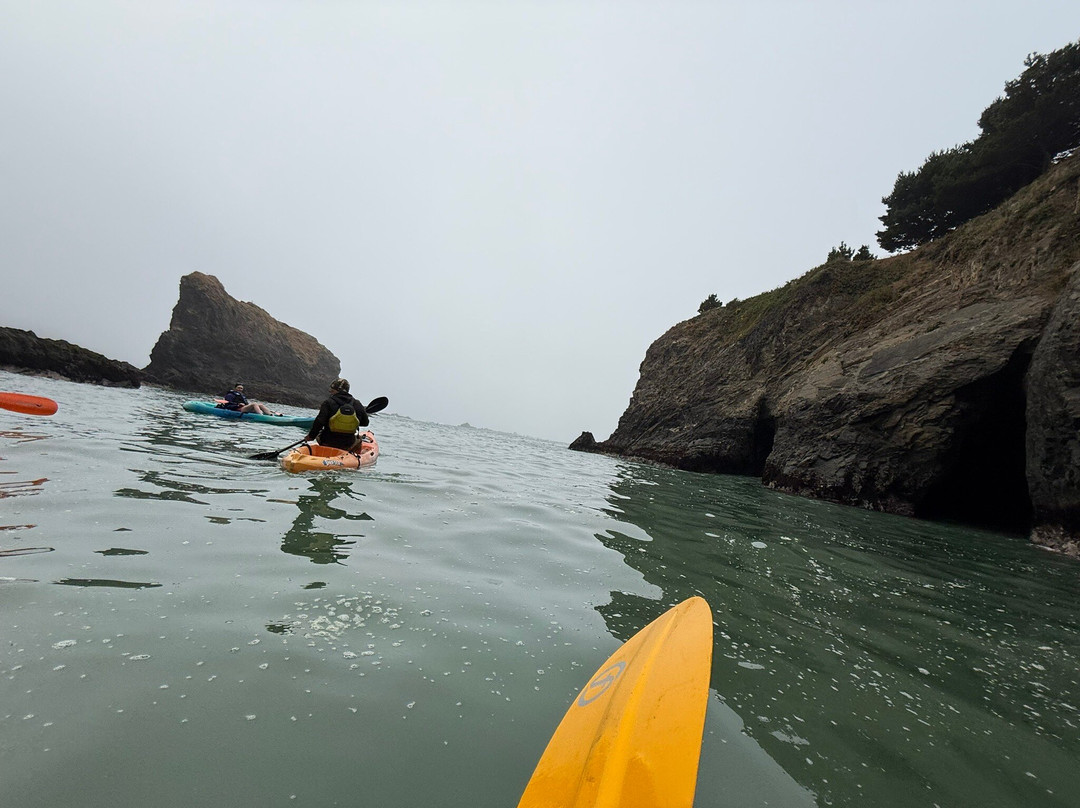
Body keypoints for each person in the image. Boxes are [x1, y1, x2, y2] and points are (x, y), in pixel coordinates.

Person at [302, 378, 369, 451]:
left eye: (332, 390)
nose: (330, 392)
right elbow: (365, 423)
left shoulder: (328, 403)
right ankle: (355, 457)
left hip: (327, 441)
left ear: (334, 390)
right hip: (349, 443)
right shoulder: (357, 404)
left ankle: (323, 453)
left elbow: (319, 422)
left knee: (319, 435)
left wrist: (310, 437)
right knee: (359, 440)